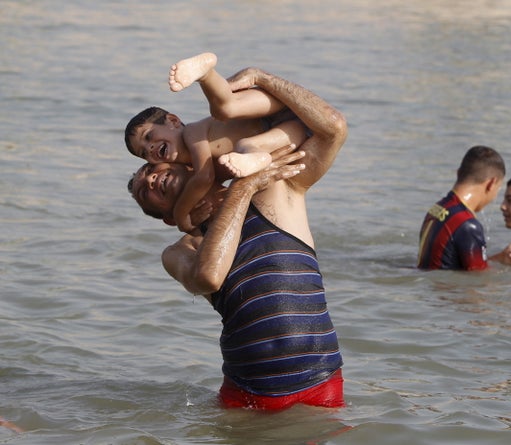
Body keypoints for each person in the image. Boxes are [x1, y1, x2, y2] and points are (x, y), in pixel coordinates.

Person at [128, 67, 348, 411]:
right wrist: (242, 188)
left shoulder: (276, 185)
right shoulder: (180, 250)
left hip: (320, 380)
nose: (152, 180)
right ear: (171, 218)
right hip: (247, 394)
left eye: (153, 172)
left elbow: (333, 128)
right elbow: (209, 276)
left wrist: (262, 78)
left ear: (189, 166)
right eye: (145, 191)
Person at [125, 52, 308, 232]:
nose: (149, 148)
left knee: (224, 108)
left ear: (173, 121)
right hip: (291, 132)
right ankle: (259, 158)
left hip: (269, 108)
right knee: (246, 147)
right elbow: (212, 190)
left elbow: (204, 178)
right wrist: (193, 219)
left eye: (149, 136)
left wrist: (182, 216)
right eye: (143, 153)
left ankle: (206, 74)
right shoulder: (196, 165)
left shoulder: (192, 133)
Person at [417, 145, 511, 271]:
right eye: (498, 189)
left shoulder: (438, 207)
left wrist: (503, 257)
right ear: (491, 184)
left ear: (458, 173)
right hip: (447, 291)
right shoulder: (468, 225)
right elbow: (479, 282)